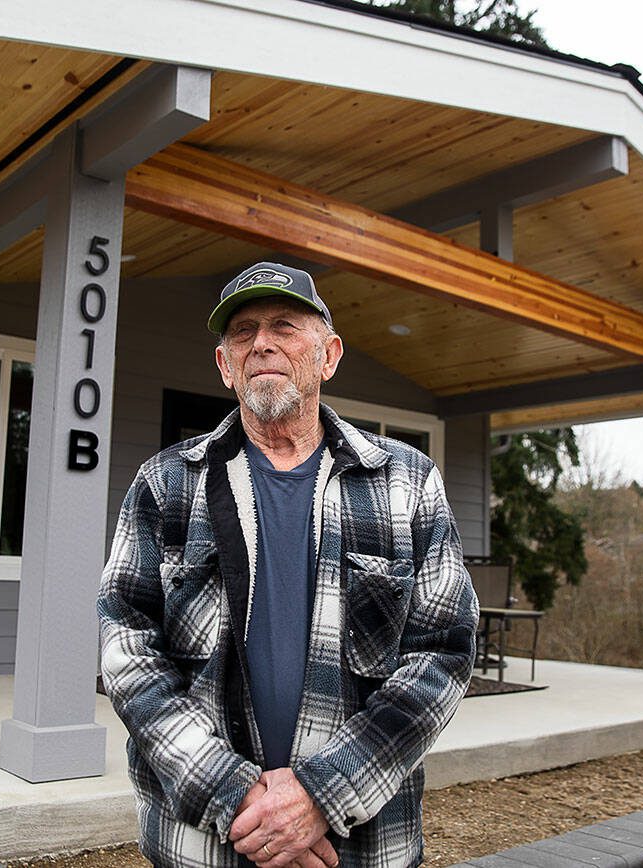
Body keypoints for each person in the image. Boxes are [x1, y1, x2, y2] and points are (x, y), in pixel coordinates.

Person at [98, 262, 478, 867]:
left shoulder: (407, 482)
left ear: (329, 355)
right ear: (225, 366)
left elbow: (443, 654)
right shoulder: (166, 484)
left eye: (284, 326)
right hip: (204, 843)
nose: (263, 343)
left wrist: (321, 796)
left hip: (358, 844)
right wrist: (240, 797)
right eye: (243, 332)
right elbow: (127, 651)